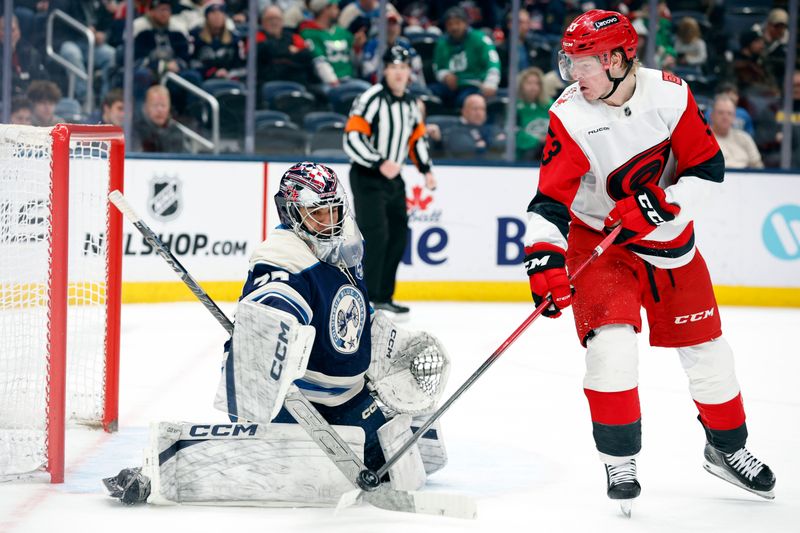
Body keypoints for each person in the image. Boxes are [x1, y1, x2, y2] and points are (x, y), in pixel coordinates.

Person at [524, 9, 776, 511]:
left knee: (709, 354)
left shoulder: (670, 93)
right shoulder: (568, 114)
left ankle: (728, 449)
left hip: (669, 243)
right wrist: (543, 260)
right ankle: (619, 459)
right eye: (570, 62)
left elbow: (709, 167)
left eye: (586, 63)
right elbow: (549, 202)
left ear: (619, 59)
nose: (575, 74)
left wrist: (664, 203)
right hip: (598, 242)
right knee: (611, 349)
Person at [103, 162, 450, 506]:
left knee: (415, 452)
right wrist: (268, 331)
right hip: (304, 406)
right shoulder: (281, 258)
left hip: (351, 400)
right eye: (317, 213)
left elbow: (355, 306)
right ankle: (158, 468)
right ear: (291, 212)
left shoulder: (345, 242)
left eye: (334, 210)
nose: (329, 222)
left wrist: (386, 342)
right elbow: (274, 304)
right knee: (303, 476)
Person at [343, 45, 436, 316]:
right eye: (393, 67)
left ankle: (383, 295)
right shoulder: (371, 98)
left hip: (394, 178)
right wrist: (377, 161)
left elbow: (416, 139)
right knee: (376, 234)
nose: (398, 73)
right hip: (368, 175)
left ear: (410, 72)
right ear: (384, 70)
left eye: (403, 68)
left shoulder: (410, 104)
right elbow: (352, 137)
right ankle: (366, 295)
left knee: (397, 234)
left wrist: (426, 169)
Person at [430, 6, 501, 110]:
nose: (454, 27)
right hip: (452, 86)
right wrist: (445, 76)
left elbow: (493, 61)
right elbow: (437, 66)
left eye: (457, 23)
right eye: (450, 24)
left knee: (463, 100)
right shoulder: (442, 43)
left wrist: (491, 83)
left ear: (466, 23)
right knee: (430, 94)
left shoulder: (479, 38)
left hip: (475, 84)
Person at [299, 0, 357, 91]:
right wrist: (334, 83)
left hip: (350, 79)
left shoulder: (342, 32)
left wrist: (358, 46)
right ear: (325, 9)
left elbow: (355, 57)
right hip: (327, 84)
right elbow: (319, 61)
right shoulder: (309, 33)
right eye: (335, 7)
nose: (338, 11)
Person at [256, 5, 315, 86]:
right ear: (262, 22)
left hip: (297, 81)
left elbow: (307, 55)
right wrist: (290, 52)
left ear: (282, 21)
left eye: (277, 19)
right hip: (267, 82)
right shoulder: (256, 37)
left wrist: (278, 55)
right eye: (270, 19)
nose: (274, 22)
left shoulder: (293, 36)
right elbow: (262, 51)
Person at [189, 1, 246, 81]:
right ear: (206, 17)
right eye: (213, 13)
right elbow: (191, 61)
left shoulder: (235, 38)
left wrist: (228, 73)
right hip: (204, 79)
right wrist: (211, 72)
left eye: (220, 13)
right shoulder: (196, 36)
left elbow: (241, 65)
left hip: (229, 78)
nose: (217, 16)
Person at [443, 93, 506, 158]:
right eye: (475, 109)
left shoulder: (493, 128)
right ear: (464, 111)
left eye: (482, 109)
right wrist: (491, 145)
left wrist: (484, 144)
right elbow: (467, 151)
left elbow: (506, 145)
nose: (479, 113)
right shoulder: (456, 130)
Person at [709, 95, 763, 169]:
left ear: (734, 117)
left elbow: (758, 166)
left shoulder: (745, 138)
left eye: (729, 113)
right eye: (721, 113)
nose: (725, 117)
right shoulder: (702, 140)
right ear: (712, 116)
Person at [0, 13, 48, 96]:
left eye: (12, 30)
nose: (8, 34)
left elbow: (42, 79)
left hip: (30, 100)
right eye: (4, 30)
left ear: (19, 32)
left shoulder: (31, 53)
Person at [132, 85, 186, 152]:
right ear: (146, 107)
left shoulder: (176, 132)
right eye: (155, 105)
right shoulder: (135, 130)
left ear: (169, 107)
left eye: (163, 105)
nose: (160, 110)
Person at [515, 67, 551, 161]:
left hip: (549, 152)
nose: (533, 87)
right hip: (525, 156)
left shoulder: (550, 105)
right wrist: (538, 140)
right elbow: (514, 133)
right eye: (529, 83)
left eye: (537, 83)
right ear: (521, 85)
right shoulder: (515, 107)